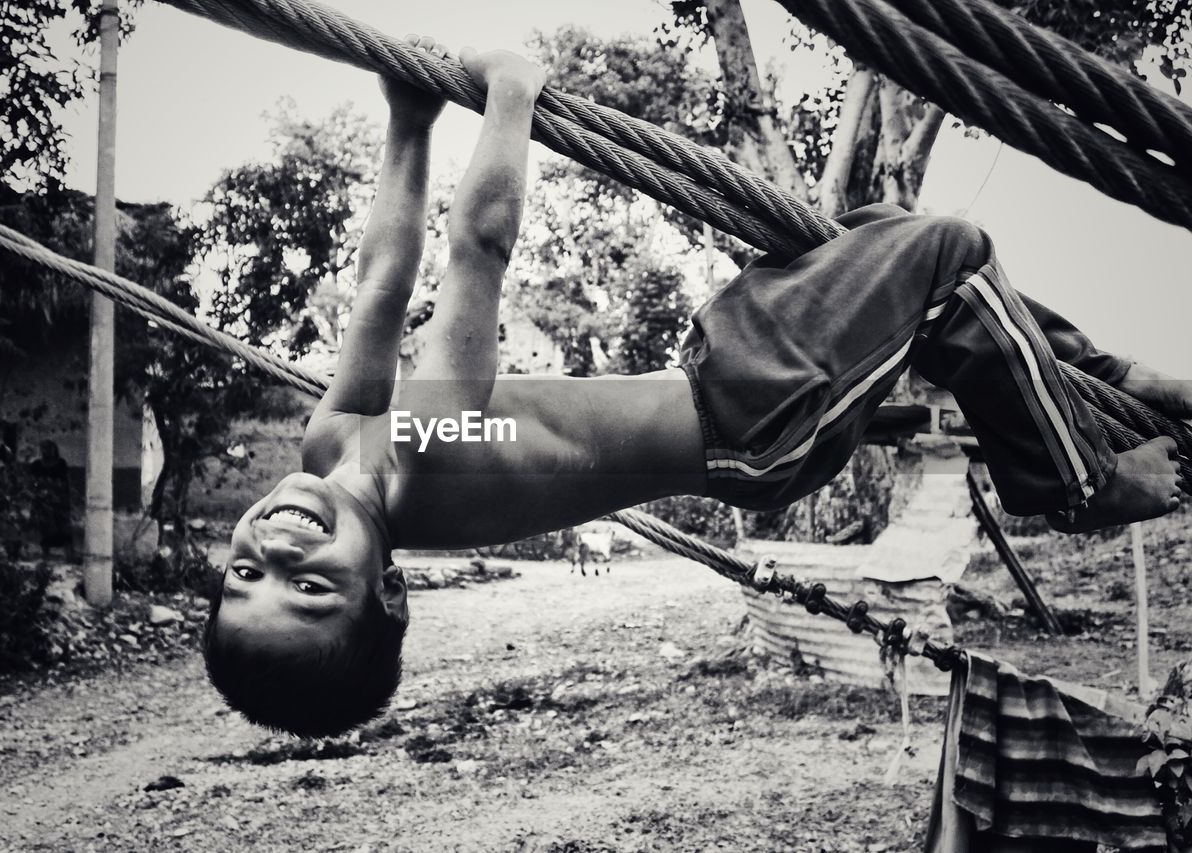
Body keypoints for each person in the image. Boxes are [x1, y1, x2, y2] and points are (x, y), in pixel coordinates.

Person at [204, 40, 1189, 738]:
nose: (275, 550)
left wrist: (406, 124)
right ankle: (1074, 485)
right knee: (944, 252)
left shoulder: (331, 447)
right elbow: (478, 250)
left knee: (879, 239)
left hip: (728, 384)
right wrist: (507, 95)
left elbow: (379, 285)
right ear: (387, 588)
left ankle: (1105, 382)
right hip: (754, 420)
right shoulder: (428, 447)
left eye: (245, 577)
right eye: (310, 588)